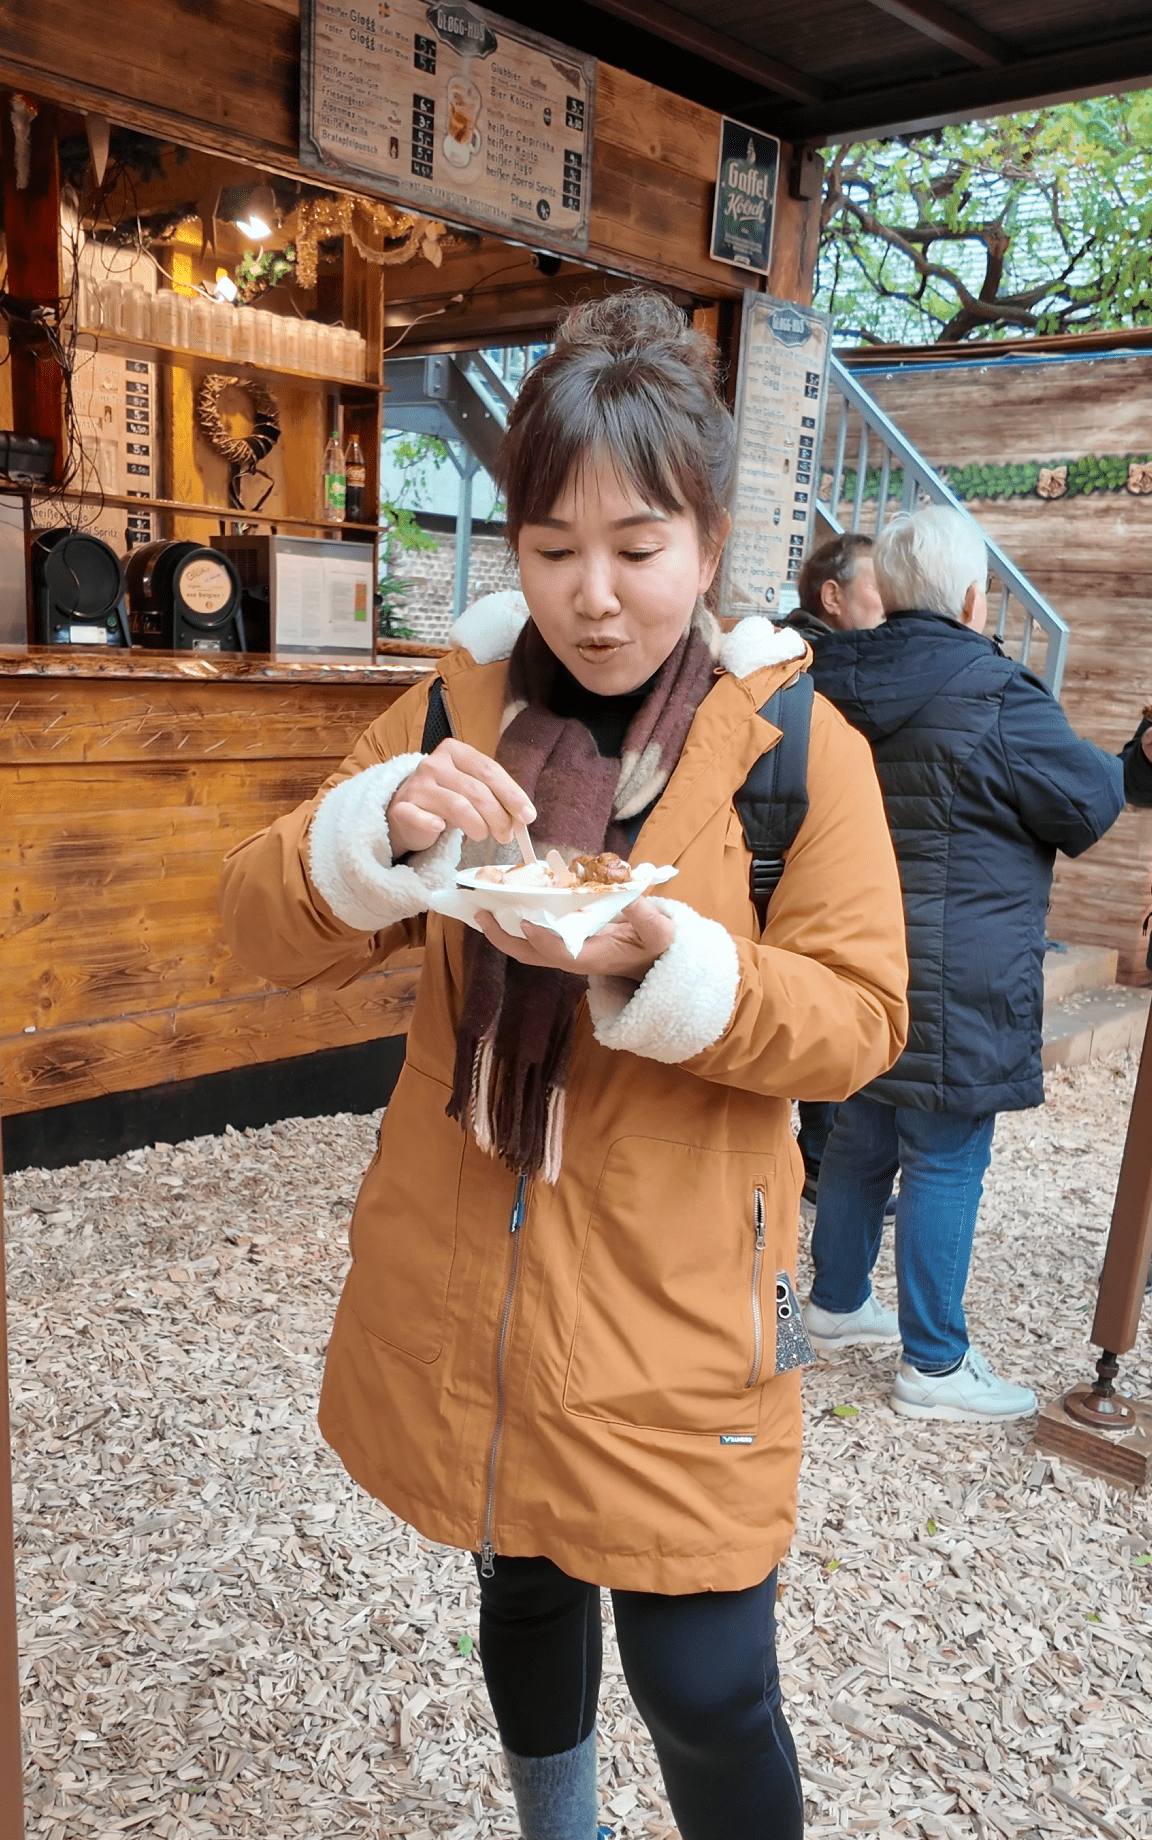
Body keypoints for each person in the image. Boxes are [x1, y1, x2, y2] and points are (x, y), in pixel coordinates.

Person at [218, 291, 909, 1840]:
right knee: (522, 1598)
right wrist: (381, 830)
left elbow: (862, 1021)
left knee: (711, 1680)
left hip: (693, 1293)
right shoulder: (452, 715)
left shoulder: (798, 754)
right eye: (551, 547)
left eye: (639, 546)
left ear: (711, 538)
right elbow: (256, 929)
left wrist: (672, 970)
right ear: (513, 545)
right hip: (474, 1269)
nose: (594, 597)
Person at [802, 505, 1127, 1421]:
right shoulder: (996, 692)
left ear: (888, 591)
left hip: (854, 955)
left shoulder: (822, 674)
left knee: (862, 1131)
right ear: (977, 598)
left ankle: (833, 1306)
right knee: (946, 1156)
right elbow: (1087, 805)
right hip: (959, 972)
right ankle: (934, 1366)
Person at [784, 532, 887, 1203]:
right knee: (818, 993)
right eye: (881, 591)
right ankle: (815, 1155)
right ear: (833, 596)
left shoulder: (787, 656)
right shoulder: (827, 672)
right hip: (796, 861)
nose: (892, 605)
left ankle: (814, 1154)